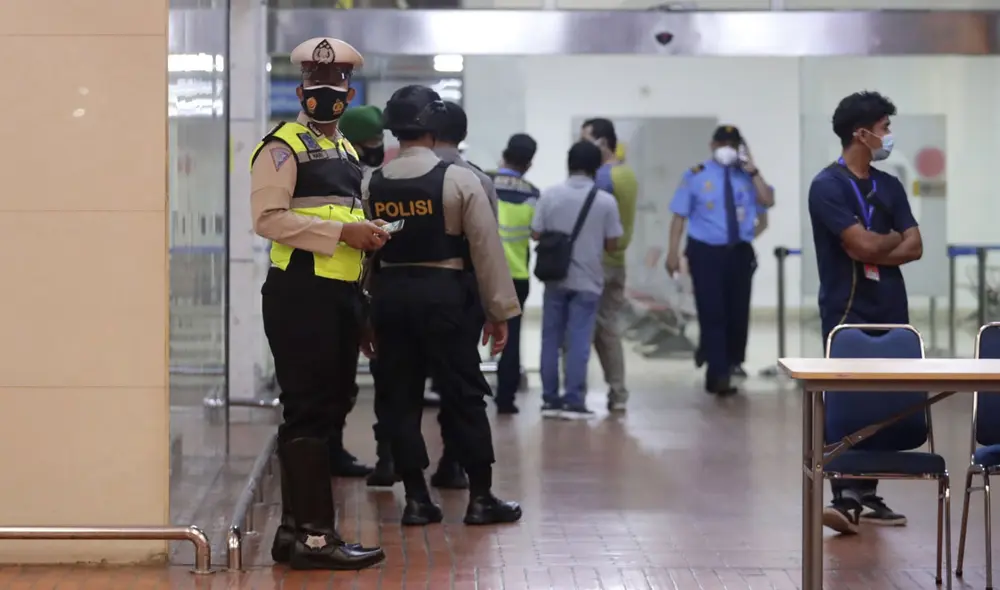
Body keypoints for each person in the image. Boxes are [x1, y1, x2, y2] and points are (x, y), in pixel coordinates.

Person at [250, 37, 389, 570]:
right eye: (314, 84)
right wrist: (342, 233)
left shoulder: (348, 152)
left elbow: (340, 222)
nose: (324, 94)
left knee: (328, 411)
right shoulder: (281, 147)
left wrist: (362, 299)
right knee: (308, 412)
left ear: (348, 92)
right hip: (300, 294)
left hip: (340, 296)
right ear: (300, 88)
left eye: (333, 86)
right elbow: (267, 220)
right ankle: (313, 538)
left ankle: (293, 533)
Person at [364, 85, 523, 526]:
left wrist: (366, 316)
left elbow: (364, 256)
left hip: (391, 295)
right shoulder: (460, 179)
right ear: (434, 127)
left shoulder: (372, 182)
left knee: (400, 396)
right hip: (445, 295)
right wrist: (499, 312)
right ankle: (480, 497)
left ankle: (416, 498)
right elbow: (487, 251)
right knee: (464, 394)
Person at [808, 91, 921, 534]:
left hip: (891, 307)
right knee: (847, 399)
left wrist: (882, 243)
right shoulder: (827, 186)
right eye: (884, 127)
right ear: (862, 133)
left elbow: (916, 245)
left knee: (885, 399)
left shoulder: (888, 185)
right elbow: (862, 245)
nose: (888, 135)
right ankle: (844, 494)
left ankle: (868, 491)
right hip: (847, 309)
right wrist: (887, 239)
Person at [665, 125, 775, 395]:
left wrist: (753, 169)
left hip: (738, 252)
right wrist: (672, 253)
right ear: (712, 145)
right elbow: (679, 217)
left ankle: (728, 359)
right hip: (705, 253)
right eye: (722, 142)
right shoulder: (696, 176)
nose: (727, 147)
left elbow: (767, 203)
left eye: (732, 143)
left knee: (737, 313)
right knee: (712, 311)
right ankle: (718, 373)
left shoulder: (747, 177)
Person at [532, 141, 624, 419]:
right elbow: (612, 244)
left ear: (568, 163)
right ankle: (574, 399)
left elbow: (536, 233)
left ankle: (550, 399)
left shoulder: (549, 195)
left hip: (555, 278)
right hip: (588, 281)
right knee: (579, 342)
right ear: (596, 167)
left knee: (550, 339)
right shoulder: (606, 201)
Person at [579, 119, 637, 412]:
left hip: (597, 261)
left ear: (602, 143)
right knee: (608, 329)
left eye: (586, 140)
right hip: (617, 262)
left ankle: (575, 393)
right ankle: (618, 393)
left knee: (582, 330)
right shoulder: (628, 175)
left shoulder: (603, 178)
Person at [489, 134, 540, 414]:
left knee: (466, 333)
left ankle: (464, 394)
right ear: (529, 164)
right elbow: (536, 232)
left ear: (504, 154)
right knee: (511, 337)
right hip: (516, 275)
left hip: (481, 271)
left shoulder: (484, 180)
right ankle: (505, 400)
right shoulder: (532, 193)